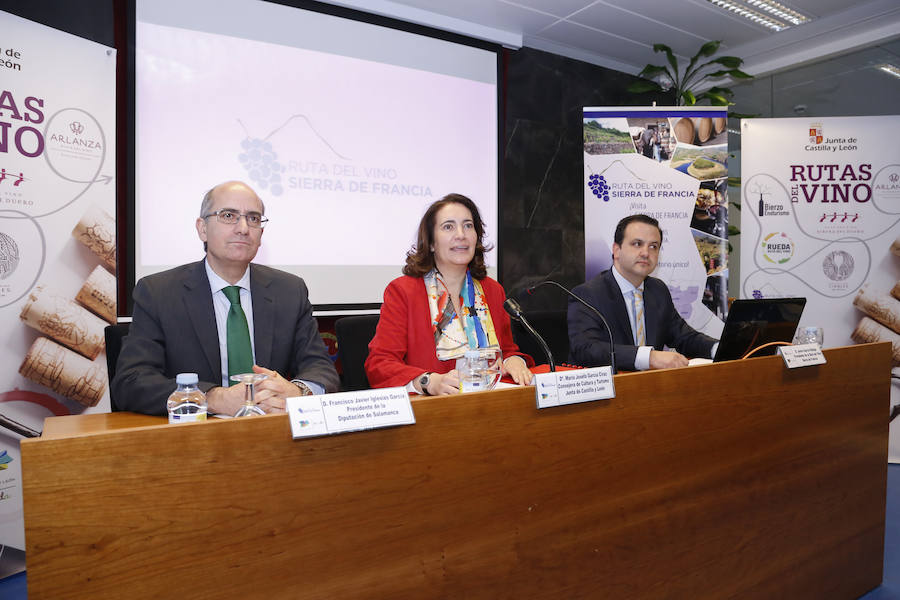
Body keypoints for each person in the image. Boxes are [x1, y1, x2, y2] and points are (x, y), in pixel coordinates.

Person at [112, 180, 339, 416]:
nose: (243, 228)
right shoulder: (159, 292)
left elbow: (320, 367)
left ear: (261, 234)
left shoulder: (289, 290)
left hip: (271, 434)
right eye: (229, 215)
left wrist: (299, 392)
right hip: (195, 437)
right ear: (202, 229)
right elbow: (131, 381)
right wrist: (213, 398)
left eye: (253, 218)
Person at [365, 193, 534, 395]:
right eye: (448, 226)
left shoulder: (492, 290)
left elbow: (506, 350)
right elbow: (380, 364)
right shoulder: (403, 291)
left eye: (468, 225)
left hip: (490, 405)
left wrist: (513, 360)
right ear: (431, 243)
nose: (461, 234)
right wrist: (427, 381)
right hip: (433, 411)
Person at [568, 214, 718, 371]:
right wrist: (649, 357)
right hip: (609, 390)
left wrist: (720, 348)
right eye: (637, 244)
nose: (646, 253)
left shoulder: (658, 290)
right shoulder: (588, 294)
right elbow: (586, 349)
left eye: (653, 246)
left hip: (651, 387)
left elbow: (684, 337)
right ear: (616, 250)